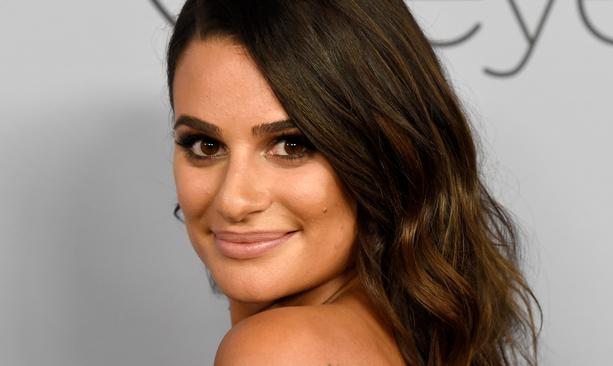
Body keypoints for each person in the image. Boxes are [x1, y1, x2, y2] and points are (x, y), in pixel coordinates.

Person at [166, 0, 540, 365]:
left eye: (291, 145)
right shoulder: (405, 338)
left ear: (385, 156)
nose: (233, 200)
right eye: (205, 145)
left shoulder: (276, 352)